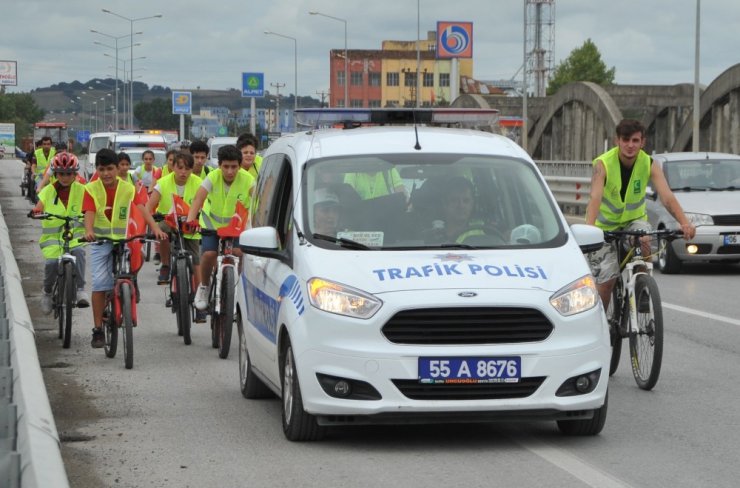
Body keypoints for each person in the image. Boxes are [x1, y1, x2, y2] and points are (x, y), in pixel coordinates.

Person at [585, 119, 696, 309]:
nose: (630, 145)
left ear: (642, 142)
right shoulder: (602, 164)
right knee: (606, 282)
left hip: (633, 223)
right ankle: (601, 326)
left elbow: (667, 197)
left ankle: (642, 286)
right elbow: (595, 198)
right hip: (604, 228)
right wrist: (589, 231)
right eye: (625, 140)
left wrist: (685, 223)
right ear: (617, 141)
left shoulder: (649, 163)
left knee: (644, 239)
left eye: (635, 140)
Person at [82, 148, 167, 348]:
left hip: (123, 240)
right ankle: (97, 329)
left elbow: (141, 208)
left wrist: (154, 228)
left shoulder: (128, 188)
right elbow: (89, 212)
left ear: (117, 168)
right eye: (101, 169)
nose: (106, 174)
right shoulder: (91, 189)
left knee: (128, 269)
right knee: (100, 284)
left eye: (110, 169)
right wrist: (88, 230)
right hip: (101, 241)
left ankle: (127, 292)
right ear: (97, 170)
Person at [186, 145, 254, 311]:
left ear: (240, 165)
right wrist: (190, 220)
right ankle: (203, 286)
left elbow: (259, 204)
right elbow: (198, 199)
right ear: (219, 165)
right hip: (212, 225)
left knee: (239, 253)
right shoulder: (212, 177)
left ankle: (237, 286)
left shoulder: (248, 180)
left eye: (234, 167)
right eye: (226, 167)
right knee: (209, 254)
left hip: (237, 227)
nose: (230, 171)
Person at [145, 152, 207, 322]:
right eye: (180, 168)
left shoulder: (199, 183)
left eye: (188, 169)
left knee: (196, 260)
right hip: (169, 222)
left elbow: (207, 205)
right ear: (173, 167)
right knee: (162, 234)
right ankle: (165, 265)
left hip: (190, 226)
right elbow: (148, 207)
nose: (184, 172)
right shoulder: (163, 183)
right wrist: (155, 226)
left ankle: (199, 298)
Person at [32, 152, 89, 313]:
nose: (65, 177)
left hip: (74, 236)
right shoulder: (48, 191)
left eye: (69, 174)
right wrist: (36, 211)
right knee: (50, 264)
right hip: (53, 238)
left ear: (75, 174)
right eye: (61, 174)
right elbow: (39, 206)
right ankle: (47, 292)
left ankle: (80, 289)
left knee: (79, 253)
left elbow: (90, 207)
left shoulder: (82, 190)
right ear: (55, 174)